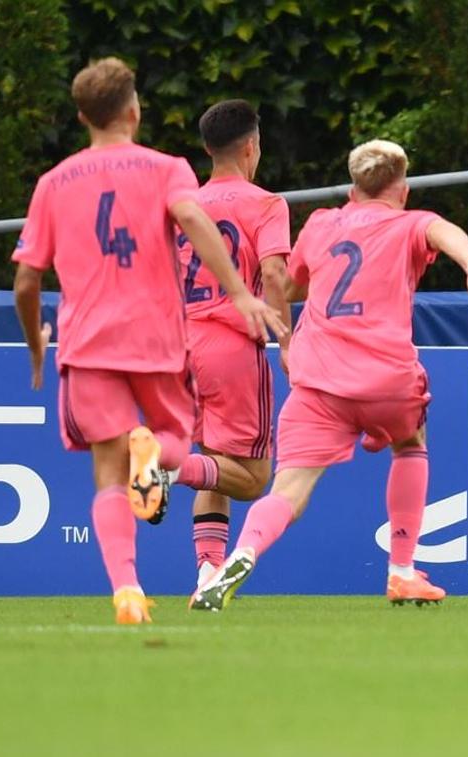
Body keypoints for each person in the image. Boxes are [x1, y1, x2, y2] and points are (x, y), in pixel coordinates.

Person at [11, 58, 286, 624]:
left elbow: (25, 280)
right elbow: (197, 222)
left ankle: (130, 591)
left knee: (110, 474)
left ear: (82, 115)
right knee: (227, 467)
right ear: (135, 111)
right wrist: (239, 293)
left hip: (93, 341)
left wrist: (37, 345)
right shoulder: (170, 170)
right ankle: (161, 466)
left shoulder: (52, 183)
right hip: (165, 339)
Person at [189, 139, 468, 611]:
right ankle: (402, 570)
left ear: (353, 186)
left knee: (288, 488)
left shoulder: (322, 224)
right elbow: (444, 231)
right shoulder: (410, 222)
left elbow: (291, 284)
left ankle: (241, 553)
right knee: (410, 443)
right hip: (385, 375)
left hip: (318, 378)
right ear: (402, 187)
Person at [172, 99, 292, 588]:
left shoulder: (183, 205)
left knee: (213, 464)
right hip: (230, 344)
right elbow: (274, 272)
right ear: (251, 146)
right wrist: (285, 340)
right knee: (254, 476)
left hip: (178, 345)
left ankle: (207, 571)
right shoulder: (265, 203)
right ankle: (165, 470)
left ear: (206, 148)